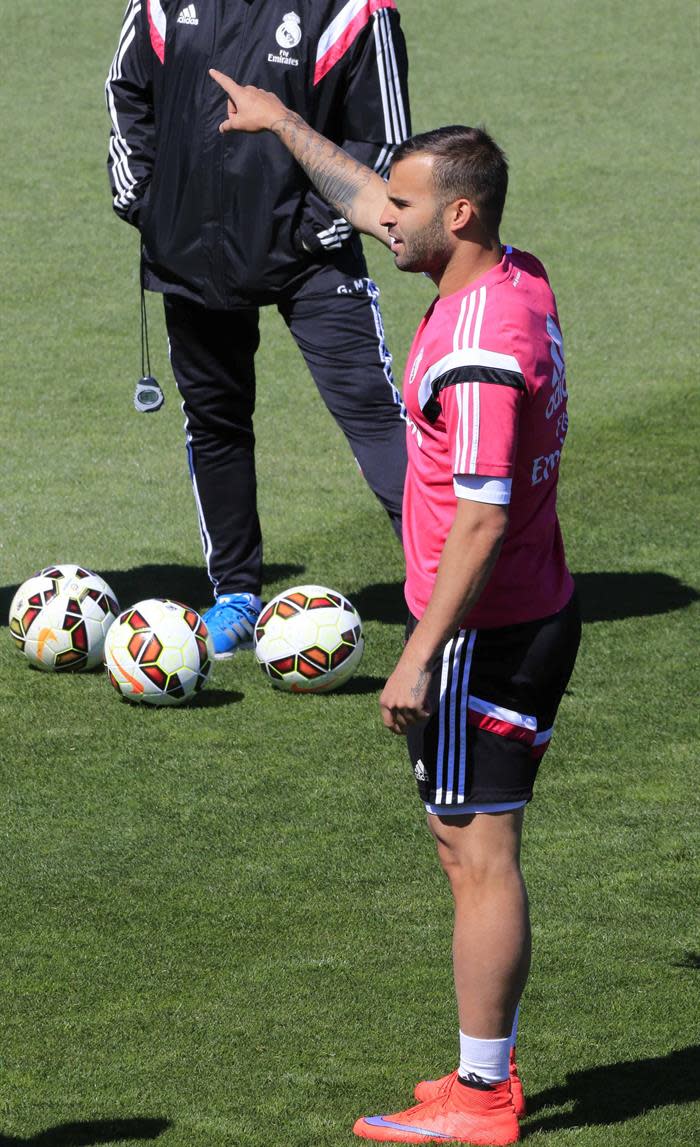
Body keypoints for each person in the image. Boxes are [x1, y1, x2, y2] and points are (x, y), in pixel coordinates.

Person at [209, 71, 582, 1145]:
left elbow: (479, 517)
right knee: (461, 841)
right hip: (521, 613)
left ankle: (481, 1097)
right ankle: (478, 1076)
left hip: (483, 631)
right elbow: (365, 197)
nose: (384, 219)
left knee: (477, 851)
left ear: (456, 214)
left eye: (405, 207)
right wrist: (284, 125)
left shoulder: (476, 354)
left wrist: (419, 653)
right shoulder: (512, 278)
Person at [105, 0, 411, 657]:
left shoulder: (355, 11)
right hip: (191, 246)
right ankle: (236, 596)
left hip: (312, 257)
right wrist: (146, 202)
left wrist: (312, 230)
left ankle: (448, 593)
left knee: (374, 416)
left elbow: (383, 141)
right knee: (214, 419)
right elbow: (127, 87)